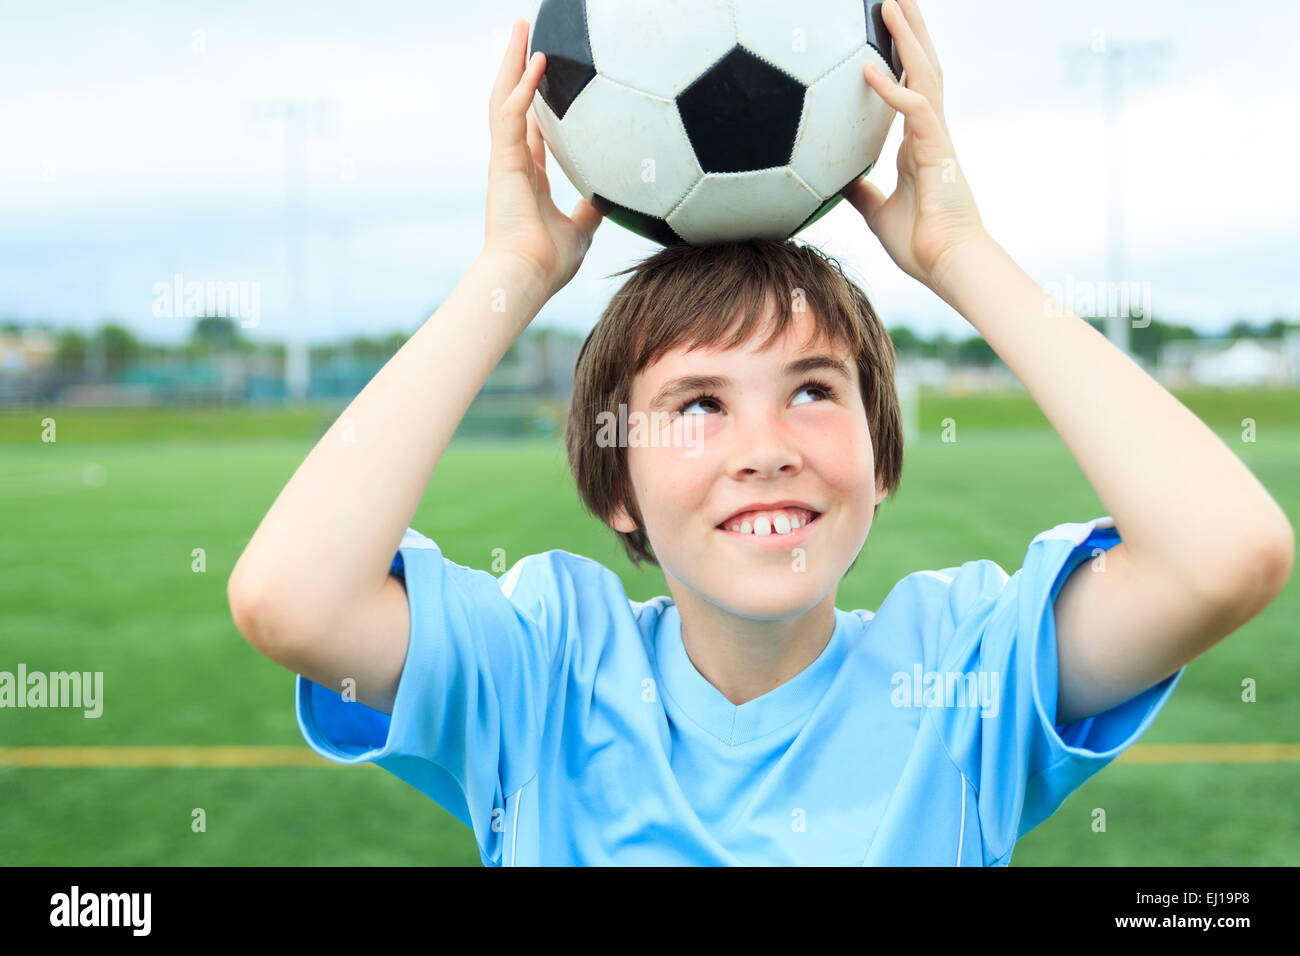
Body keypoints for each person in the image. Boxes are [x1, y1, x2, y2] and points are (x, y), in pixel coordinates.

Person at [227, 1, 1293, 865]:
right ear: (616, 487)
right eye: (699, 405)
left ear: (880, 456)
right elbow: (291, 599)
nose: (766, 446)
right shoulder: (541, 672)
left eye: (814, 391)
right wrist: (510, 273)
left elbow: (1225, 555)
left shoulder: (962, 675)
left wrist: (961, 254)